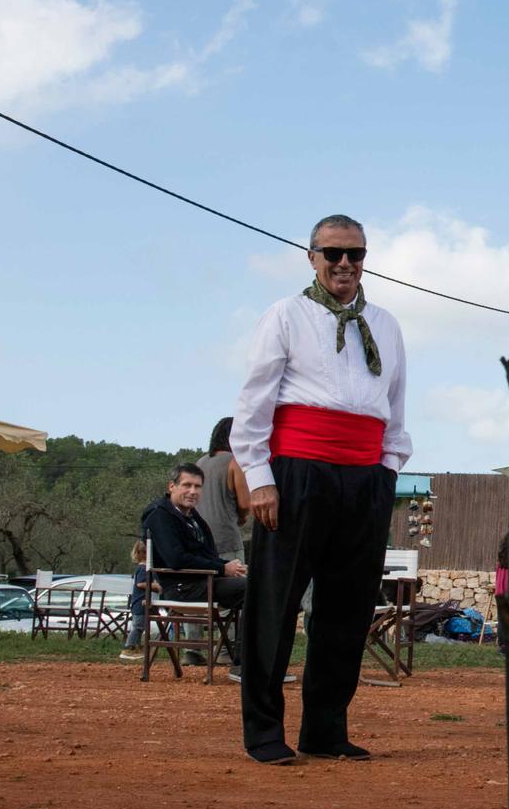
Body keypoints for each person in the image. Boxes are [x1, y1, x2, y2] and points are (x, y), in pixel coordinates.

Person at [232, 213, 410, 765]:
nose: (344, 264)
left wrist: (387, 471)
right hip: (297, 473)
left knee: (348, 608)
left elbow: (396, 408)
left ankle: (325, 730)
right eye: (332, 253)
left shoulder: (387, 323)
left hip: (365, 477)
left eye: (355, 254)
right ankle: (264, 733)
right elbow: (253, 406)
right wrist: (260, 479)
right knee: (276, 604)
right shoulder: (285, 315)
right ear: (311, 256)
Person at [140, 463, 251, 673]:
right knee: (253, 590)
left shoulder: (192, 516)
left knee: (262, 586)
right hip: (183, 588)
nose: (193, 491)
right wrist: (221, 569)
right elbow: (176, 559)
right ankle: (243, 665)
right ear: (171, 486)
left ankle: (249, 660)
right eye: (187, 485)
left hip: (203, 582)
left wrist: (229, 568)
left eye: (198, 487)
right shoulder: (159, 515)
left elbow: (205, 553)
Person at [197, 417, 252, 565]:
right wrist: (242, 517)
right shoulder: (235, 461)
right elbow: (246, 504)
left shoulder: (199, 463)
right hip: (227, 541)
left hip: (200, 541)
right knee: (235, 585)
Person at [118, 538, 149, 660]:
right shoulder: (143, 568)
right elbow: (141, 584)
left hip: (140, 603)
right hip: (140, 603)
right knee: (138, 626)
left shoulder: (142, 568)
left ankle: (136, 647)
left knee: (140, 626)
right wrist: (154, 585)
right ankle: (128, 647)